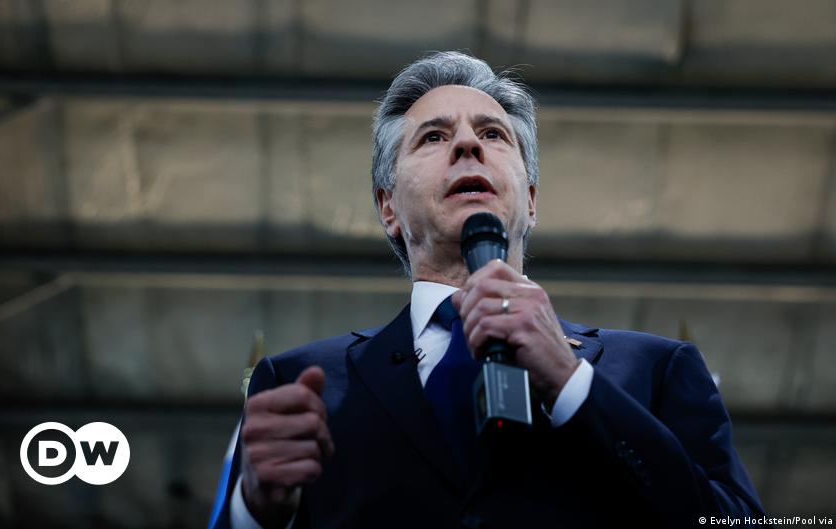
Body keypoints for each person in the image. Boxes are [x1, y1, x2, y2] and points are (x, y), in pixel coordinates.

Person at [211, 51, 766, 529]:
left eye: (492, 133)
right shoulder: (297, 385)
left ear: (530, 199)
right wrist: (257, 509)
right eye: (433, 136)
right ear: (388, 209)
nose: (468, 146)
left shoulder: (657, 371)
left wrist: (573, 385)